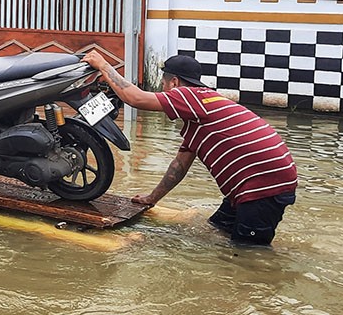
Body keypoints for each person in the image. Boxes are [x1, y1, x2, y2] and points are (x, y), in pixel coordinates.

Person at [81, 51, 297, 245]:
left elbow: (136, 98)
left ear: (174, 82)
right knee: (217, 230)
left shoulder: (190, 95)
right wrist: (152, 198)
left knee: (249, 255)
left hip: (262, 188)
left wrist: (103, 65)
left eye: (163, 85)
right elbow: (179, 166)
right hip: (255, 184)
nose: (163, 91)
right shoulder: (203, 112)